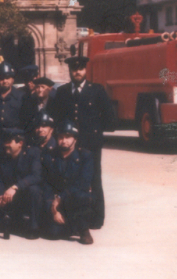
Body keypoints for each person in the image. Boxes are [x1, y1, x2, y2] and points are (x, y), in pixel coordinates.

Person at [49, 55, 113, 229]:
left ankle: (97, 219)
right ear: (70, 71)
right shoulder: (62, 92)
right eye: (74, 69)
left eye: (80, 69)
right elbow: (55, 116)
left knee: (94, 180)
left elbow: (108, 116)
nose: (77, 72)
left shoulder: (96, 90)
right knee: (70, 179)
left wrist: (97, 134)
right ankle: (71, 215)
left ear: (85, 70)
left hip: (91, 144)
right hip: (69, 145)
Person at [41, 121, 95, 244]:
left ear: (75, 139)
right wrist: (53, 209)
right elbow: (47, 182)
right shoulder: (50, 156)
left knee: (82, 195)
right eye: (60, 137)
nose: (64, 141)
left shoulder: (85, 156)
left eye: (68, 137)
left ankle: (83, 229)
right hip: (57, 205)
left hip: (74, 200)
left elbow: (83, 183)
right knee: (52, 234)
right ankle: (70, 226)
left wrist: (60, 198)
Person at [0, 128, 43, 240]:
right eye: (5, 141)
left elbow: (36, 176)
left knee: (34, 189)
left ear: (20, 143)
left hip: (25, 195)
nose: (5, 145)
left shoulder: (32, 153)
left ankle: (34, 227)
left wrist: (16, 187)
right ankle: (15, 221)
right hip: (9, 197)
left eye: (9, 142)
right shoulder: (2, 156)